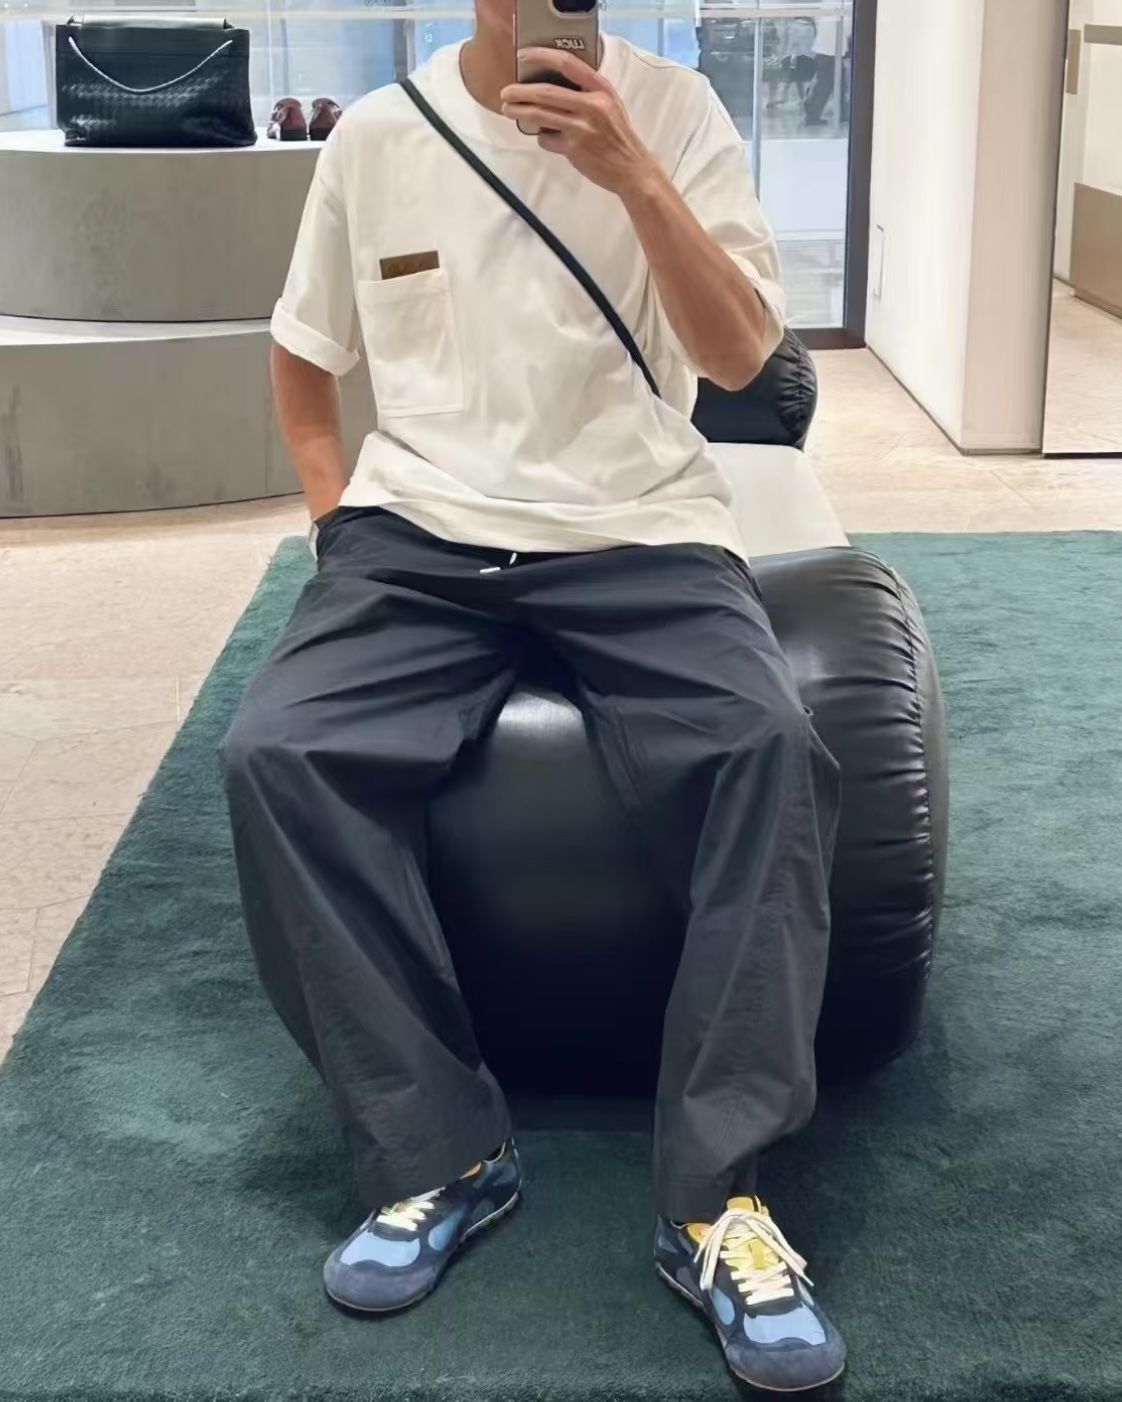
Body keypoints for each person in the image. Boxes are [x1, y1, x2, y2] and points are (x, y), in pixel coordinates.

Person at [220, 0, 845, 1390]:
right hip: (418, 533)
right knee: (277, 750)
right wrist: (333, 520)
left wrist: (631, 173)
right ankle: (437, 1153)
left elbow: (741, 359)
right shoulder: (379, 133)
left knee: (767, 747)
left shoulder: (679, 111)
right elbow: (305, 350)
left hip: (642, 526)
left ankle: (717, 1197)